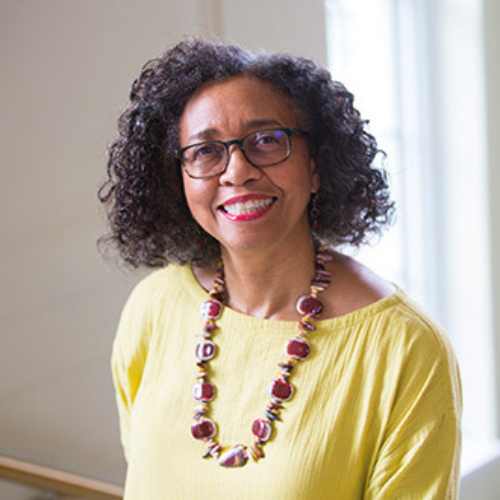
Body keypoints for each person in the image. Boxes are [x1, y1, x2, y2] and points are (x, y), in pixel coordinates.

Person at [99, 39, 461, 499]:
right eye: (205, 151)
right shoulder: (154, 307)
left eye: (267, 141)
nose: (237, 171)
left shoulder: (405, 348)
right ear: (178, 180)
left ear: (316, 165)